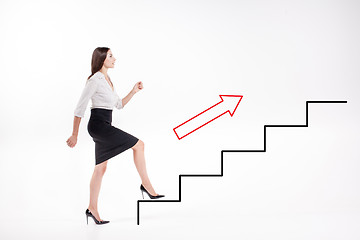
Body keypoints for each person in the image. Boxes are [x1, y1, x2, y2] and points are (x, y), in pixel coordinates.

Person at [66, 47, 164, 225]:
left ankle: (92, 209)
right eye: (111, 56)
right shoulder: (94, 80)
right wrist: (74, 134)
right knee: (139, 145)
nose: (114, 58)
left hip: (105, 124)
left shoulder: (108, 80)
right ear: (102, 59)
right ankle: (147, 186)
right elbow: (79, 108)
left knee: (100, 169)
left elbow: (118, 104)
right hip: (98, 125)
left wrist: (133, 91)